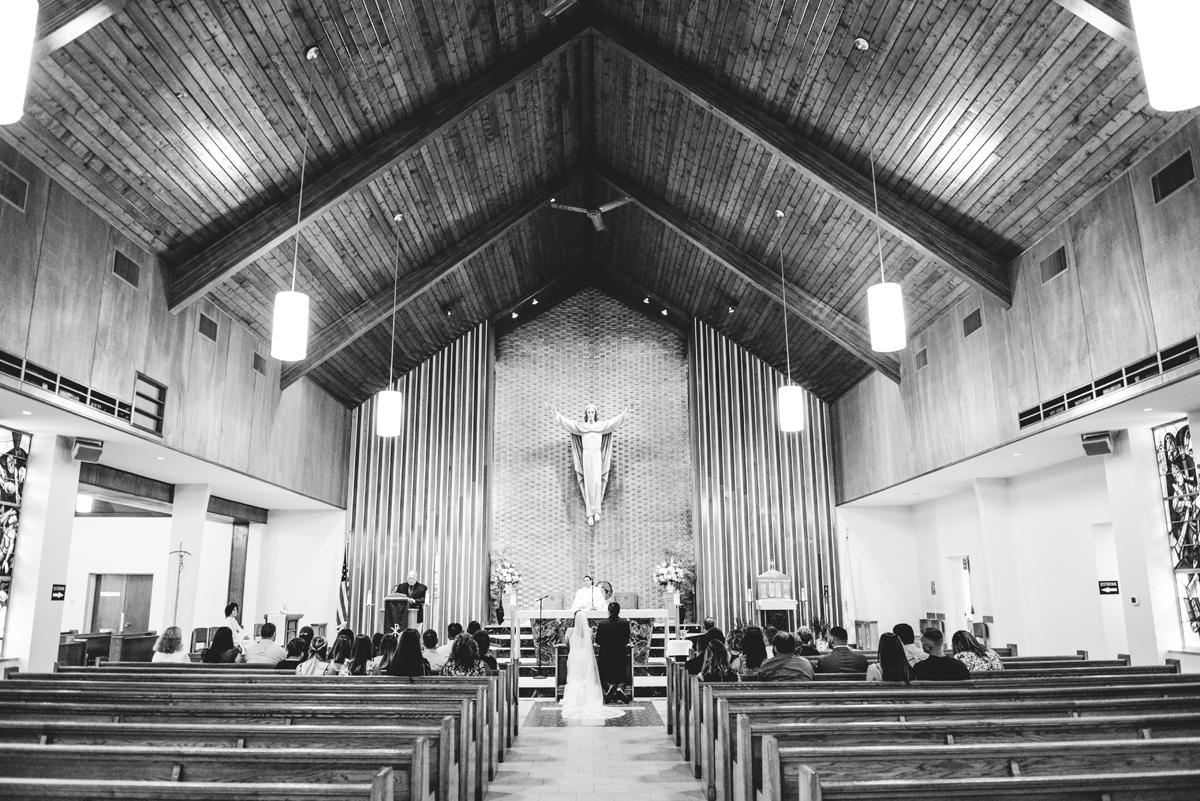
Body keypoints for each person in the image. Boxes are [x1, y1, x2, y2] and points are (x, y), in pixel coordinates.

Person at [548, 403, 630, 526]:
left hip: (597, 456)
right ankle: (589, 513)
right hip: (586, 456)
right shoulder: (582, 427)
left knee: (597, 482)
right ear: (586, 414)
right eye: (588, 412)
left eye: (592, 412)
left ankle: (597, 510)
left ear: (595, 414)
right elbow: (568, 424)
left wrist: (626, 412)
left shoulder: (601, 426)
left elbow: (614, 422)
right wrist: (556, 414)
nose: (590, 414)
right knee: (588, 483)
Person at [560, 610, 624, 720]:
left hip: (574, 655)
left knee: (574, 676)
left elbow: (566, 642)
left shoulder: (570, 630)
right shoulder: (589, 630)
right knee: (586, 676)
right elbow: (591, 641)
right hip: (585, 656)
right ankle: (587, 698)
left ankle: (574, 699)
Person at [595, 601, 632, 703]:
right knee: (621, 676)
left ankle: (610, 686)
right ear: (619, 611)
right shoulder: (625, 623)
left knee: (605, 676)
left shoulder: (602, 623)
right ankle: (620, 688)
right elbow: (626, 640)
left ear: (608, 611)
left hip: (606, 655)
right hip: (620, 654)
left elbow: (598, 640)